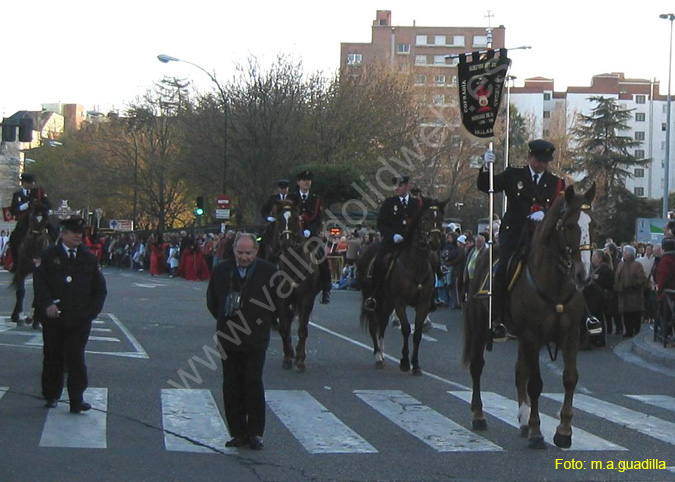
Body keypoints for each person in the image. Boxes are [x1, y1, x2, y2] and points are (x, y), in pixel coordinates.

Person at [477, 140, 566, 338]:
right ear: (530, 157)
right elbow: (486, 186)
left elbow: (561, 209)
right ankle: (497, 317)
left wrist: (545, 212)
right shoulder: (513, 175)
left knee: (565, 265)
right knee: (503, 268)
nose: (541, 164)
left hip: (541, 235)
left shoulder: (556, 182)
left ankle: (570, 314)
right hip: (515, 232)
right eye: (538, 160)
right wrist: (485, 166)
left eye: (545, 161)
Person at [206, 233, 279, 450]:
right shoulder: (221, 270)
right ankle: (237, 432)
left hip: (256, 337)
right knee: (231, 384)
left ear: (255, 252)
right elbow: (213, 302)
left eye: (248, 253)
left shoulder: (269, 271)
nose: (244, 257)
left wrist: (262, 321)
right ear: (234, 251)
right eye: (240, 253)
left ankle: (255, 433)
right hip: (229, 335)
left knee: (253, 382)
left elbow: (278, 301)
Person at [32, 216, 107, 412]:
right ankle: (51, 394)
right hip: (54, 318)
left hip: (79, 318)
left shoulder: (88, 257)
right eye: (73, 232)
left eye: (80, 233)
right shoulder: (49, 255)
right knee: (53, 356)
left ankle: (76, 398)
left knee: (76, 358)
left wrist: (91, 313)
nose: (78, 236)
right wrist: (47, 304)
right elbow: (39, 284)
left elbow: (99, 290)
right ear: (63, 233)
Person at [364, 174, 420, 311]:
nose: (397, 188)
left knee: (429, 260)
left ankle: (430, 295)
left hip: (410, 243)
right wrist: (392, 235)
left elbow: (420, 223)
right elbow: (381, 223)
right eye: (395, 185)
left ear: (406, 186)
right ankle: (373, 294)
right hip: (392, 242)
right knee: (378, 262)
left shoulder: (415, 204)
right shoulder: (389, 203)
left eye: (400, 185)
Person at [288, 170, 331, 304]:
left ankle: (326, 288)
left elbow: (318, 219)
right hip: (294, 235)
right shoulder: (292, 198)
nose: (307, 182)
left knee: (321, 256)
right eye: (304, 180)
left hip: (310, 236)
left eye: (309, 180)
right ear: (298, 182)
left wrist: (310, 231)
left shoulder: (315, 199)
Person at [8, 173, 56, 272]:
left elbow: (48, 204)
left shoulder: (39, 192)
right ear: (23, 183)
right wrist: (23, 206)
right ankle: (16, 263)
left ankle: (55, 257)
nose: (32, 185)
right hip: (24, 220)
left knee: (54, 232)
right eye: (29, 182)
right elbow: (13, 210)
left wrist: (39, 205)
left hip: (38, 218)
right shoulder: (17, 195)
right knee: (13, 238)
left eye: (32, 182)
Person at [615, 245, 646, 338]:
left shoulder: (637, 265)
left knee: (635, 315)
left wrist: (633, 285)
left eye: (625, 252)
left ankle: (636, 331)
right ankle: (628, 331)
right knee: (626, 315)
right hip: (623, 295)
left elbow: (642, 279)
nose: (623, 254)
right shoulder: (621, 265)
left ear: (629, 254)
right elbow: (617, 277)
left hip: (634, 295)